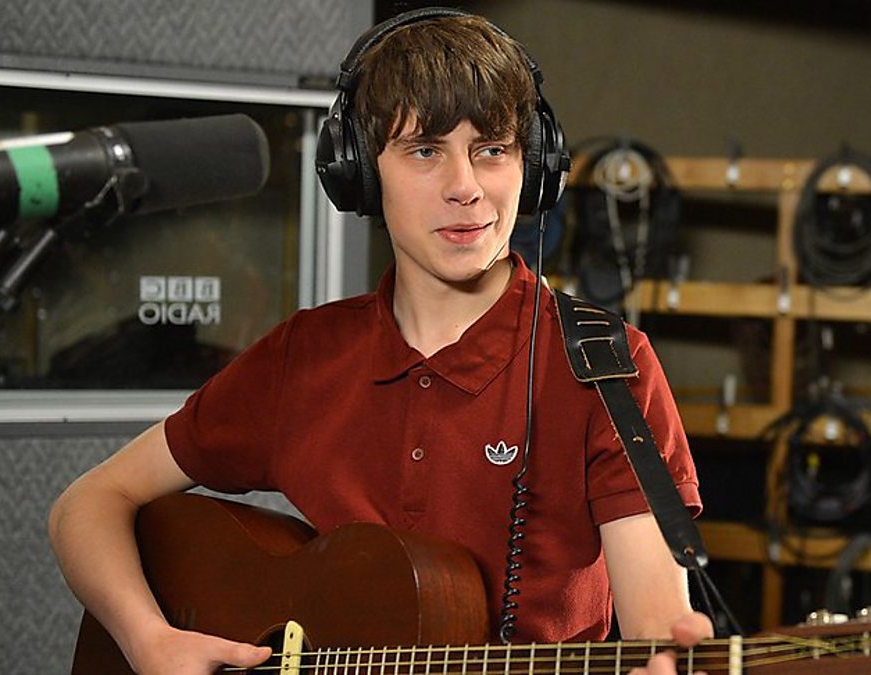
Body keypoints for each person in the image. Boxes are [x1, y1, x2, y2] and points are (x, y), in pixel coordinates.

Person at [49, 9, 712, 675]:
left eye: (492, 150)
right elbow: (89, 503)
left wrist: (665, 658)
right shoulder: (304, 356)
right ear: (360, 172)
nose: (466, 188)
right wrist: (149, 639)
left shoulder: (608, 367)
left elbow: (658, 636)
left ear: (532, 166)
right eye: (425, 150)